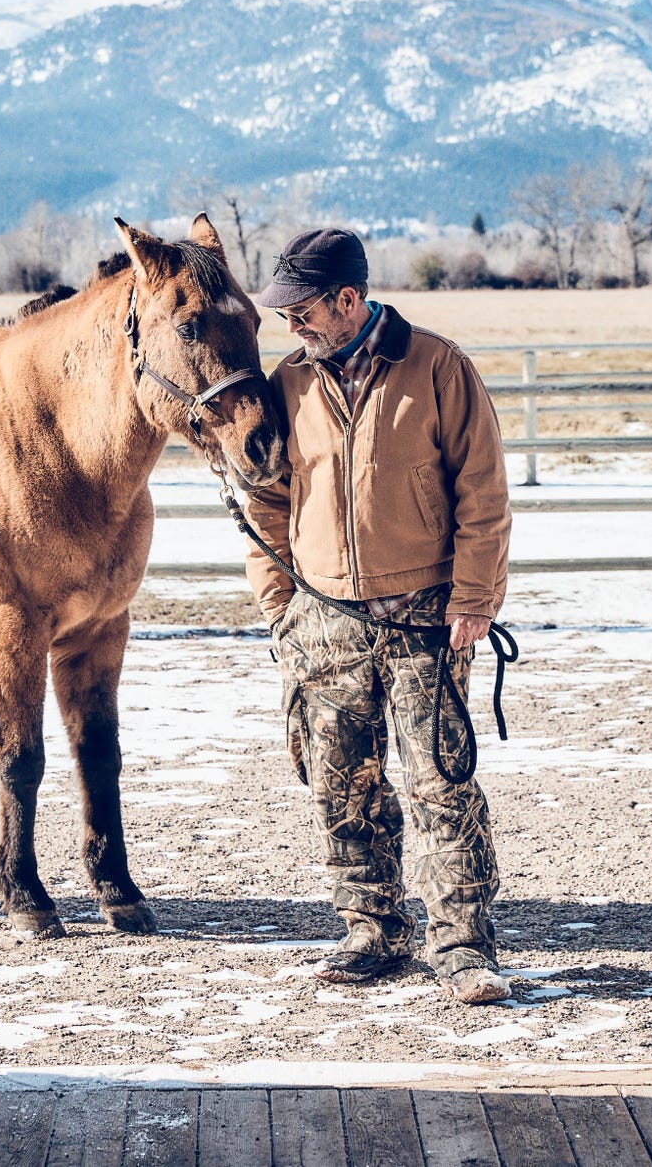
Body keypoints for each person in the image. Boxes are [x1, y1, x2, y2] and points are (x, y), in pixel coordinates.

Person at [245, 228, 512, 1003]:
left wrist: (474, 598)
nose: (289, 324)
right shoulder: (289, 381)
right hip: (322, 618)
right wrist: (279, 603)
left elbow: (483, 493)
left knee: (439, 785)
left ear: (348, 300)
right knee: (339, 784)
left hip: (427, 615)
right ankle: (371, 929)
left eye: (301, 310)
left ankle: (463, 948)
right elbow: (267, 500)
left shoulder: (438, 367)